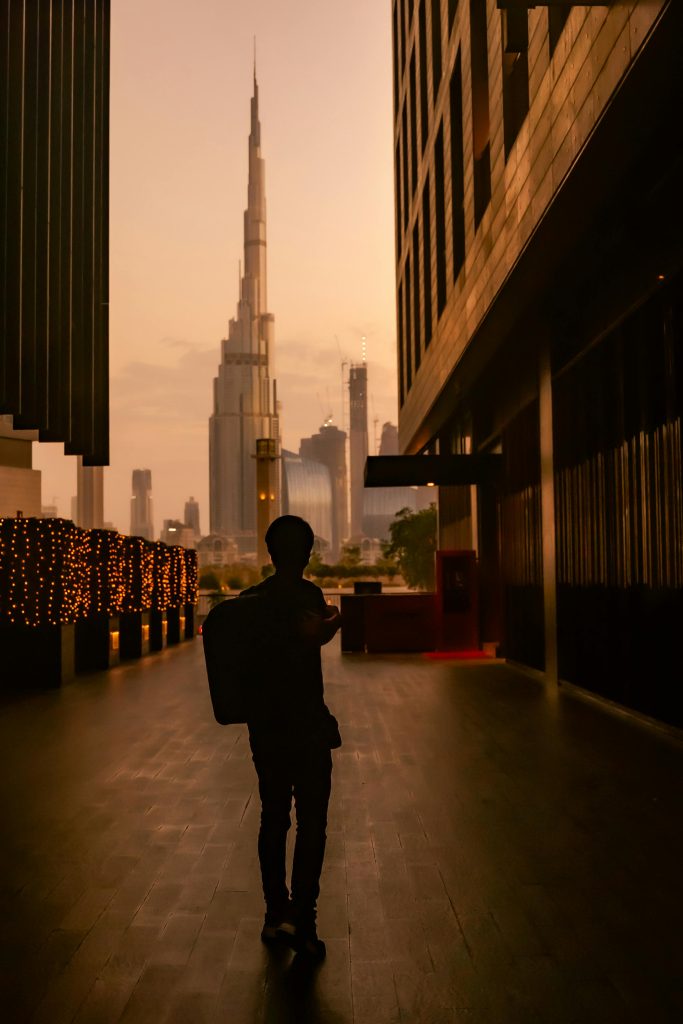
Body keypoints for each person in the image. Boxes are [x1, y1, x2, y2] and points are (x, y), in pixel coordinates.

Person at [241, 515, 341, 960]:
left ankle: (273, 912)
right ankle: (305, 918)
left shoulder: (251, 601)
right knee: (312, 823)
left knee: (273, 817)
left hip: (267, 727)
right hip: (307, 725)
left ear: (269, 553)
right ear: (307, 554)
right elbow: (313, 635)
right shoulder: (309, 596)